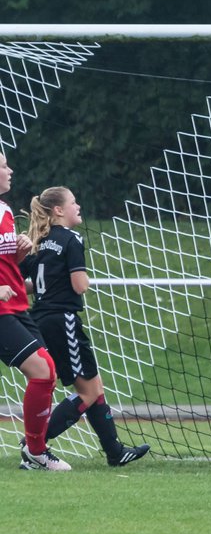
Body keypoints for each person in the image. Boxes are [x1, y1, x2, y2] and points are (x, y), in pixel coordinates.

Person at [21, 187, 149, 467]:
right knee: (88, 392)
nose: (78, 206)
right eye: (73, 202)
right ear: (58, 210)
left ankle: (115, 452)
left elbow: (25, 284)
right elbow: (79, 285)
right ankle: (33, 447)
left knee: (94, 385)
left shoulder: (38, 241)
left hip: (41, 320)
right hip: (64, 319)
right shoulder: (71, 239)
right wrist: (82, 282)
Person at [0, 154, 65, 470]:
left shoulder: (5, 211)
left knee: (47, 372)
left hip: (14, 306)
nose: (9, 170)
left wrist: (20, 250)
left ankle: (34, 452)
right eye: (2, 166)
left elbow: (6, 263)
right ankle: (36, 452)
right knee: (42, 370)